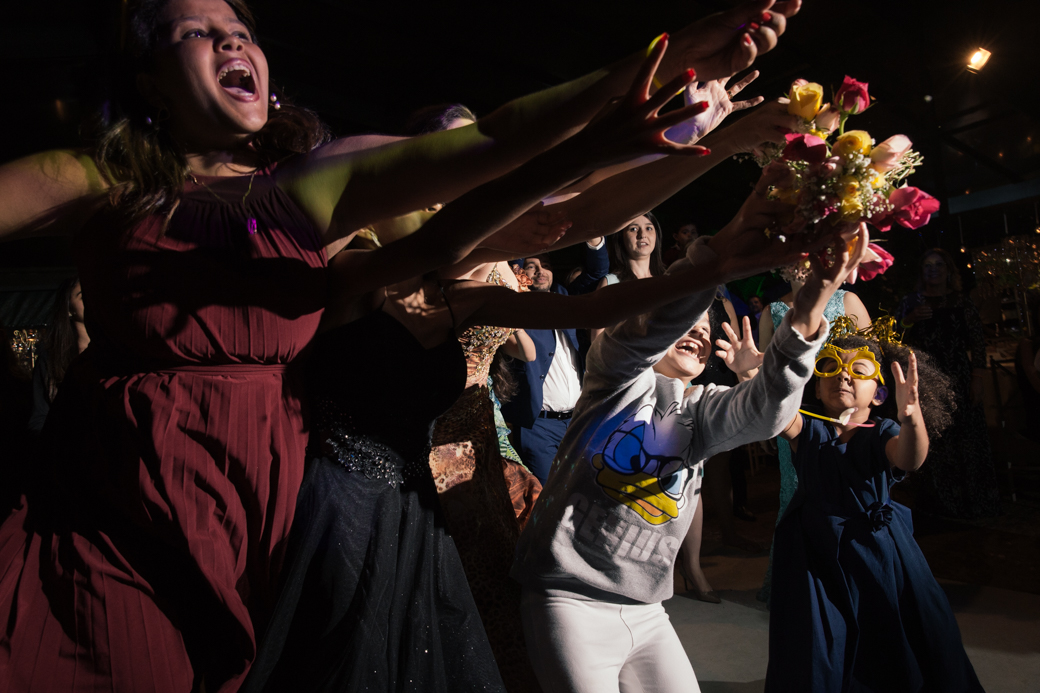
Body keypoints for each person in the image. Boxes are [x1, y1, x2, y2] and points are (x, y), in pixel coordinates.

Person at [0, 0, 802, 689]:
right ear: (147, 80)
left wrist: (687, 121)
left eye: (239, 26)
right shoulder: (135, 186)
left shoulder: (331, 204)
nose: (231, 39)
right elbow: (511, 183)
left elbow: (532, 189)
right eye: (195, 32)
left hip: (264, 495)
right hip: (148, 484)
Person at [244, 39, 777, 693]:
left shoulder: (464, 293)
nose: (471, 194)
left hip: (438, 493)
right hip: (346, 501)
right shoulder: (358, 269)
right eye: (452, 180)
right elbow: (473, 229)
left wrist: (720, 220)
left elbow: (584, 267)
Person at [510, 160, 867, 693]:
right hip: (569, 599)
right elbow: (654, 323)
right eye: (689, 325)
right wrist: (718, 259)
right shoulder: (613, 374)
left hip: (649, 610)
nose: (698, 335)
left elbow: (769, 409)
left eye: (706, 329)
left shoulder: (702, 410)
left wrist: (811, 305)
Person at [765, 325, 984, 693]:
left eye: (859, 370)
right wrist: (754, 376)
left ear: (880, 393)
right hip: (815, 554)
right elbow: (772, 413)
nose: (844, 376)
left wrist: (912, 417)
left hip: (876, 550)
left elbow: (909, 457)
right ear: (816, 388)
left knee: (893, 637)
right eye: (831, 368)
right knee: (817, 643)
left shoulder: (882, 430)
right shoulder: (809, 428)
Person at [756, 275, 870, 604]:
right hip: (793, 414)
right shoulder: (774, 311)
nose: (803, 267)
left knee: (847, 491)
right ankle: (796, 587)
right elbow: (764, 373)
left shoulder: (847, 301)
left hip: (844, 414)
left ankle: (852, 580)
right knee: (796, 492)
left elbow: (872, 360)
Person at [897, 249, 1001, 519]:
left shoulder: (961, 302)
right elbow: (893, 339)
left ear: (949, 270)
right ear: (921, 271)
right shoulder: (911, 301)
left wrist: (978, 379)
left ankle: (974, 504)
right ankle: (939, 506)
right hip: (926, 381)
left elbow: (978, 343)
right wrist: (909, 319)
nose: (933, 269)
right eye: (928, 265)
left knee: (966, 438)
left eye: (939, 264)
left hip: (960, 378)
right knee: (935, 439)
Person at [504, 243, 608, 483]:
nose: (541, 270)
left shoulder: (565, 296)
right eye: (532, 266)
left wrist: (593, 240)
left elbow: (596, 271)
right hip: (538, 426)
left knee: (581, 490)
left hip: (576, 421)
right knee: (548, 497)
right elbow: (508, 268)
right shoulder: (517, 305)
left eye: (547, 265)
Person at [28, 277, 90, 435]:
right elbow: (39, 417)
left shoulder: (114, 350)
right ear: (68, 308)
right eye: (83, 296)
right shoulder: (51, 358)